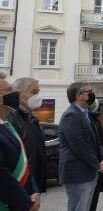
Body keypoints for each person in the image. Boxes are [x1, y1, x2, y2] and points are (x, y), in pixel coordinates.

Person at [59, 82, 103, 211]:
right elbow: (79, 146)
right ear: (78, 95)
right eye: (89, 92)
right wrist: (97, 165)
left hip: (89, 172)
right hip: (77, 174)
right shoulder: (71, 115)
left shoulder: (85, 114)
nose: (92, 94)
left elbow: (96, 141)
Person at [0, 76, 40, 211]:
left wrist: (34, 191)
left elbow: (25, 162)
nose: (14, 94)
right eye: (9, 90)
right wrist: (25, 204)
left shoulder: (7, 125)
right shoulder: (11, 121)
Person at [7, 78, 47, 194]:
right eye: (34, 92)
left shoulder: (30, 118)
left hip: (33, 187)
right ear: (20, 94)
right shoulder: (13, 118)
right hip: (22, 187)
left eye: (38, 92)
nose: (38, 96)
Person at [88, 99, 103, 211]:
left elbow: (98, 144)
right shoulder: (94, 122)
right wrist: (102, 161)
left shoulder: (93, 122)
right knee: (90, 200)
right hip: (94, 165)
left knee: (91, 200)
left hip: (96, 164)